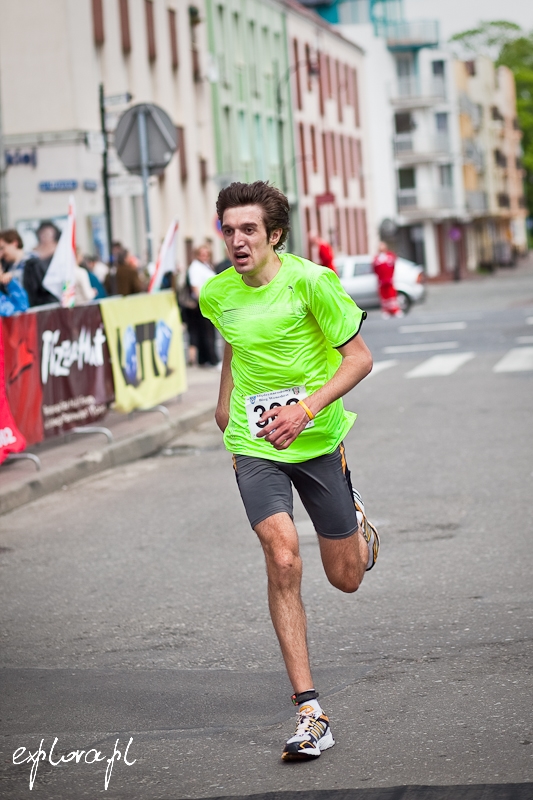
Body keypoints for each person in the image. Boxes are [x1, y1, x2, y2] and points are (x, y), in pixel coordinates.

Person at [200, 181, 379, 762]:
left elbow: (359, 359)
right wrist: (224, 403)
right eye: (228, 230)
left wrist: (306, 409)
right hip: (254, 441)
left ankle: (353, 517)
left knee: (346, 577)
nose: (236, 240)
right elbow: (236, 344)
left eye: (248, 229)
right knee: (282, 555)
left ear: (274, 234)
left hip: (317, 438)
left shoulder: (311, 283)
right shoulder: (217, 293)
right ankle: (310, 710)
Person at [187, 244, 219, 366]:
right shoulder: (195, 267)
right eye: (202, 254)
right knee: (207, 333)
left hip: (209, 302)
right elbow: (195, 287)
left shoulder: (206, 265)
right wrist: (204, 303)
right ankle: (212, 359)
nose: (204, 256)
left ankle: (205, 359)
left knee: (206, 333)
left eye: (207, 254)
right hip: (203, 304)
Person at [23, 221, 61, 306]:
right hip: (37, 285)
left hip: (54, 282)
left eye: (48, 234)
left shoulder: (59, 248)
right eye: (43, 233)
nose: (45, 236)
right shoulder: (34, 250)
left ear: (54, 235)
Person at [372, 241, 402, 318]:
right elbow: (375, 269)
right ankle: (386, 311)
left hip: (389, 280)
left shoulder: (390, 256)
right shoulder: (377, 258)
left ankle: (395, 310)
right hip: (381, 281)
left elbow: (393, 265)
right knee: (384, 297)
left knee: (392, 296)